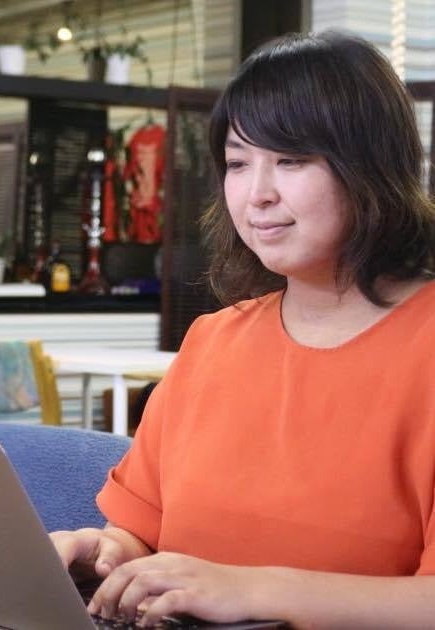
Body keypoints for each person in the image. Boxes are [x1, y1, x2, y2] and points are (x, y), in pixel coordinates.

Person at [51, 30, 435, 628]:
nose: (257, 194)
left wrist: (256, 590)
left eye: (291, 160)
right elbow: (140, 533)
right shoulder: (212, 341)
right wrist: (106, 557)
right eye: (237, 163)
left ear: (373, 165)